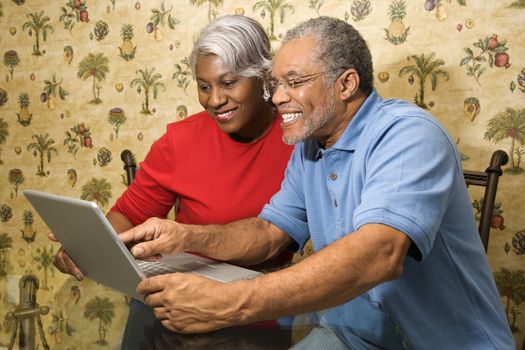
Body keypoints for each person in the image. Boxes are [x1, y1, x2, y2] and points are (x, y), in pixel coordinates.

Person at [114, 16, 515, 349]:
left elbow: (380, 253)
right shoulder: (309, 150)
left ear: (346, 84)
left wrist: (227, 303)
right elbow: (269, 233)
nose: (276, 98)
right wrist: (186, 236)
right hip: (350, 336)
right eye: (276, 83)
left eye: (294, 81)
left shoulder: (408, 133)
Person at [50, 14, 294, 348]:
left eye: (228, 82)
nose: (215, 100)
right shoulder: (180, 141)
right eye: (204, 86)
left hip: (256, 308)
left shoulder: (298, 140)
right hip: (172, 301)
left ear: (263, 77)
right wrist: (88, 246)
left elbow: (273, 239)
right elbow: (129, 215)